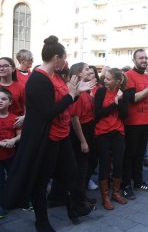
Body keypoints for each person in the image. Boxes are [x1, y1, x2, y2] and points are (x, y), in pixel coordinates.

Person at [1, 36, 95, 231]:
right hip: (46, 139)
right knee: (41, 182)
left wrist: (76, 93)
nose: (65, 62)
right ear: (56, 57)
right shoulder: (38, 79)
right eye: (64, 58)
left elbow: (64, 103)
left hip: (61, 135)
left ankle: (74, 208)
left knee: (70, 174)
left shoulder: (57, 76)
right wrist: (71, 95)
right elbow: (47, 113)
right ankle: (41, 221)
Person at [121, 49, 148, 200]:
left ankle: (138, 182)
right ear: (134, 60)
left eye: (146, 58)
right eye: (141, 58)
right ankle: (125, 186)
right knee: (129, 155)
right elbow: (131, 99)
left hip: (146, 120)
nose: (144, 60)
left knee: (140, 155)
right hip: (132, 122)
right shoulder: (128, 76)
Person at [95, 68, 129, 210]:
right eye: (105, 78)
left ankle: (116, 192)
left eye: (108, 79)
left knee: (118, 163)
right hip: (102, 133)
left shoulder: (123, 94)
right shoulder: (101, 92)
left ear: (117, 81)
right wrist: (114, 104)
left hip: (117, 132)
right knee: (104, 164)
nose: (105, 80)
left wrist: (120, 101)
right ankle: (105, 196)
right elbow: (98, 114)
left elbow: (124, 115)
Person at [68, 63, 97, 205]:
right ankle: (78, 198)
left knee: (87, 164)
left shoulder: (85, 89)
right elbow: (75, 119)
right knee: (81, 166)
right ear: (79, 73)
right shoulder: (77, 91)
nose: (89, 71)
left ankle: (81, 194)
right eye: (86, 69)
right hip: (81, 131)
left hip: (89, 129)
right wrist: (83, 141)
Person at [0, 87, 21, 219]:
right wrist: (1, 143)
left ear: (10, 102)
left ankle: (14, 200)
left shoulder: (15, 118)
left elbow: (20, 134)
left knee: (14, 177)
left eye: (3, 99)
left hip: (10, 155)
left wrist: (13, 139)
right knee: (0, 181)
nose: (0, 101)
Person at [0, 57, 25, 128]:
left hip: (16, 125)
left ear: (13, 69)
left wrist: (24, 117)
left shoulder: (21, 87)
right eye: (0, 66)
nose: (1, 69)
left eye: (5, 66)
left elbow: (29, 107)